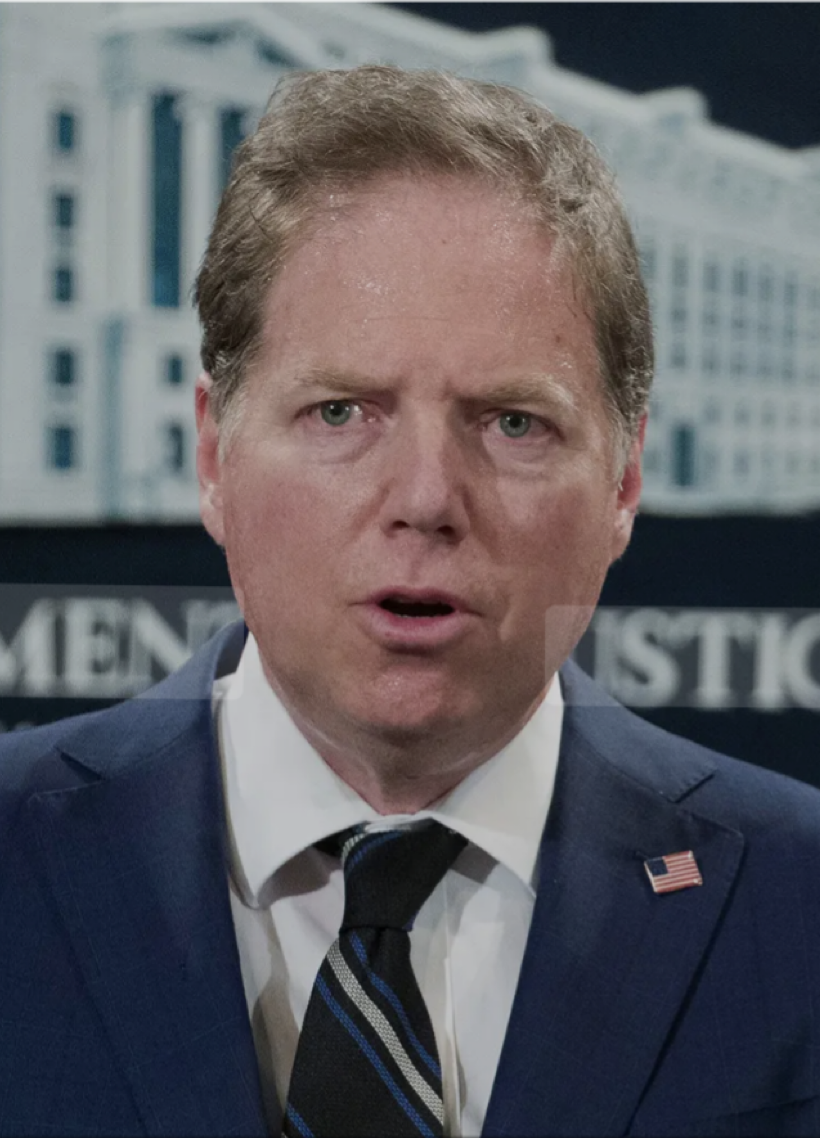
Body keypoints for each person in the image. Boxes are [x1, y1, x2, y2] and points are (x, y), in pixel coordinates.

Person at [1, 65, 819, 1138]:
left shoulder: (799, 897)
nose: (427, 499)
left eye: (513, 422)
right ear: (212, 455)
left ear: (622, 483)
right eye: (342, 411)